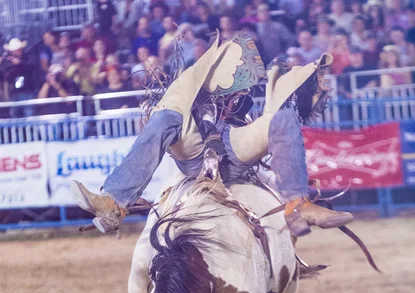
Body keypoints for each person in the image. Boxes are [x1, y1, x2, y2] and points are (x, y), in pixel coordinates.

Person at [71, 34, 353, 237]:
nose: (245, 67)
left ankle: (297, 205)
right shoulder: (194, 91)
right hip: (195, 152)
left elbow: (251, 119)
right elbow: (185, 112)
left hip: (232, 149)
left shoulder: (246, 100)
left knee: (281, 119)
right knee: (167, 117)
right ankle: (114, 204)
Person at [0, 38, 34, 116]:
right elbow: (3, 73)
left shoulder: (27, 58)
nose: (16, 52)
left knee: (29, 116)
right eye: (14, 50)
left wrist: (19, 63)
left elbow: (31, 67)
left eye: (18, 50)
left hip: (27, 92)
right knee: (15, 116)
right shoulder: (7, 61)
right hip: (13, 93)